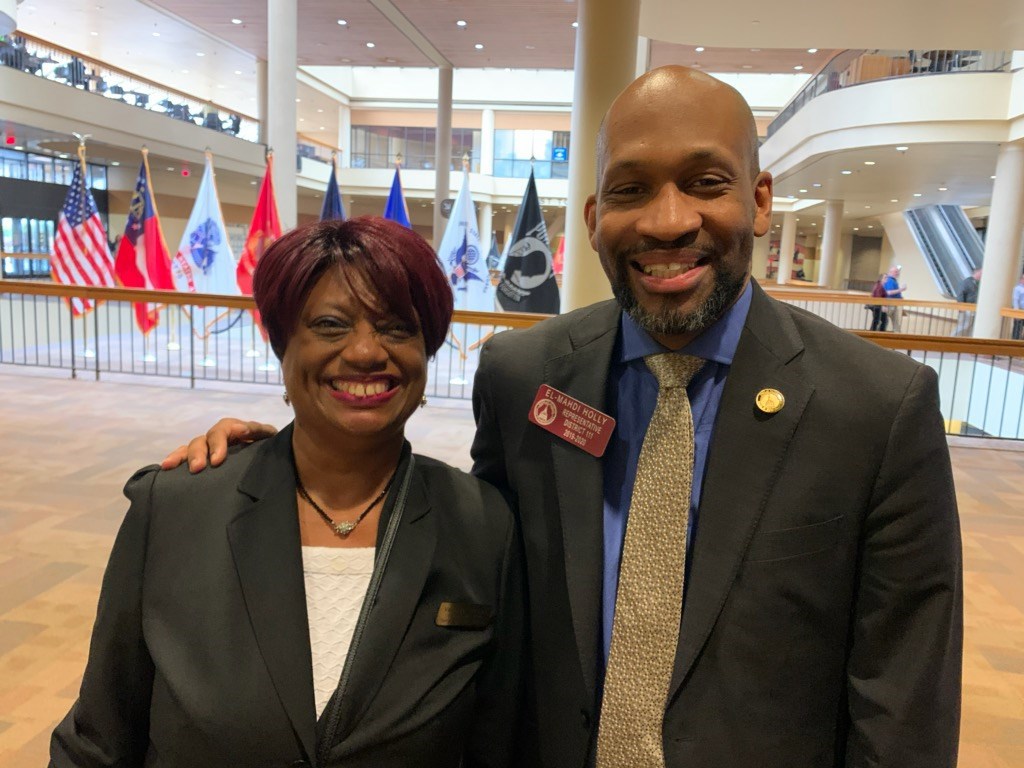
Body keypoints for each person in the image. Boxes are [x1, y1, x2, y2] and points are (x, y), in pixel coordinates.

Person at [165, 66, 962, 767]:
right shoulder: (523, 378)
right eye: (631, 189)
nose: (667, 221)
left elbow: (904, 706)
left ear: (759, 201)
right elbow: (466, 564)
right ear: (591, 219)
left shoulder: (878, 408)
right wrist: (283, 466)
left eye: (705, 182)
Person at [51, 217, 523, 768]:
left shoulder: (483, 523)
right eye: (330, 324)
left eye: (397, 327)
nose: (367, 352)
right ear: (282, 346)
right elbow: (97, 742)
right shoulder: (178, 509)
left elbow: (502, 740)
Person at [953, 267, 982, 336]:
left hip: (974, 309)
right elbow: (960, 295)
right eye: (981, 273)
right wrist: (961, 308)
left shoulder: (979, 283)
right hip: (966, 309)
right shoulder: (966, 282)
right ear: (977, 272)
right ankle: (952, 338)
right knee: (963, 326)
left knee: (971, 327)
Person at [882, 264, 906, 332]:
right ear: (890, 272)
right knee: (885, 320)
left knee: (895, 321)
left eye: (897, 272)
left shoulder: (893, 280)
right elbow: (889, 292)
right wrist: (901, 289)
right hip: (889, 304)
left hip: (893, 304)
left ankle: (897, 333)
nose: (897, 273)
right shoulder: (890, 281)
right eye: (895, 272)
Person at [1013, 273, 1024, 340]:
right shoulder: (1018, 288)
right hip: (1019, 311)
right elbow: (1015, 300)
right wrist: (1016, 312)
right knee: (1017, 329)